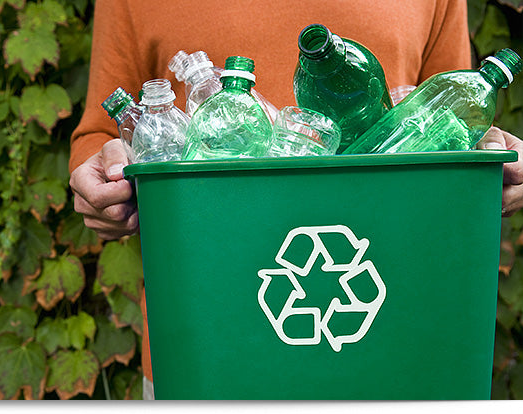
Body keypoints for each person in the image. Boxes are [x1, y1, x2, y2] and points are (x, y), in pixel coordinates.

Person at [68, 0, 523, 399]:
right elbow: (104, 130)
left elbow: (445, 120)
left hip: (403, 355)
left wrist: (490, 158)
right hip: (212, 354)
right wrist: (103, 175)